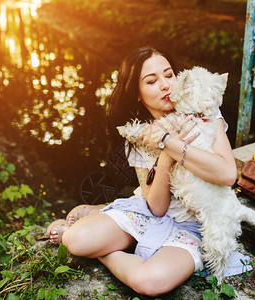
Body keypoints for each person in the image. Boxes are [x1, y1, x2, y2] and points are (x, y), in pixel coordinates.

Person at [47, 46, 237, 296]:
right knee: (75, 240)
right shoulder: (138, 136)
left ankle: (104, 238)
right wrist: (165, 158)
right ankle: (104, 218)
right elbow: (156, 207)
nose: (166, 85)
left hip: (196, 226)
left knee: (150, 282)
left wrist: (170, 142)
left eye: (169, 75)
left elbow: (227, 175)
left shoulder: (203, 111)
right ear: (137, 93)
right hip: (151, 215)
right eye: (152, 81)